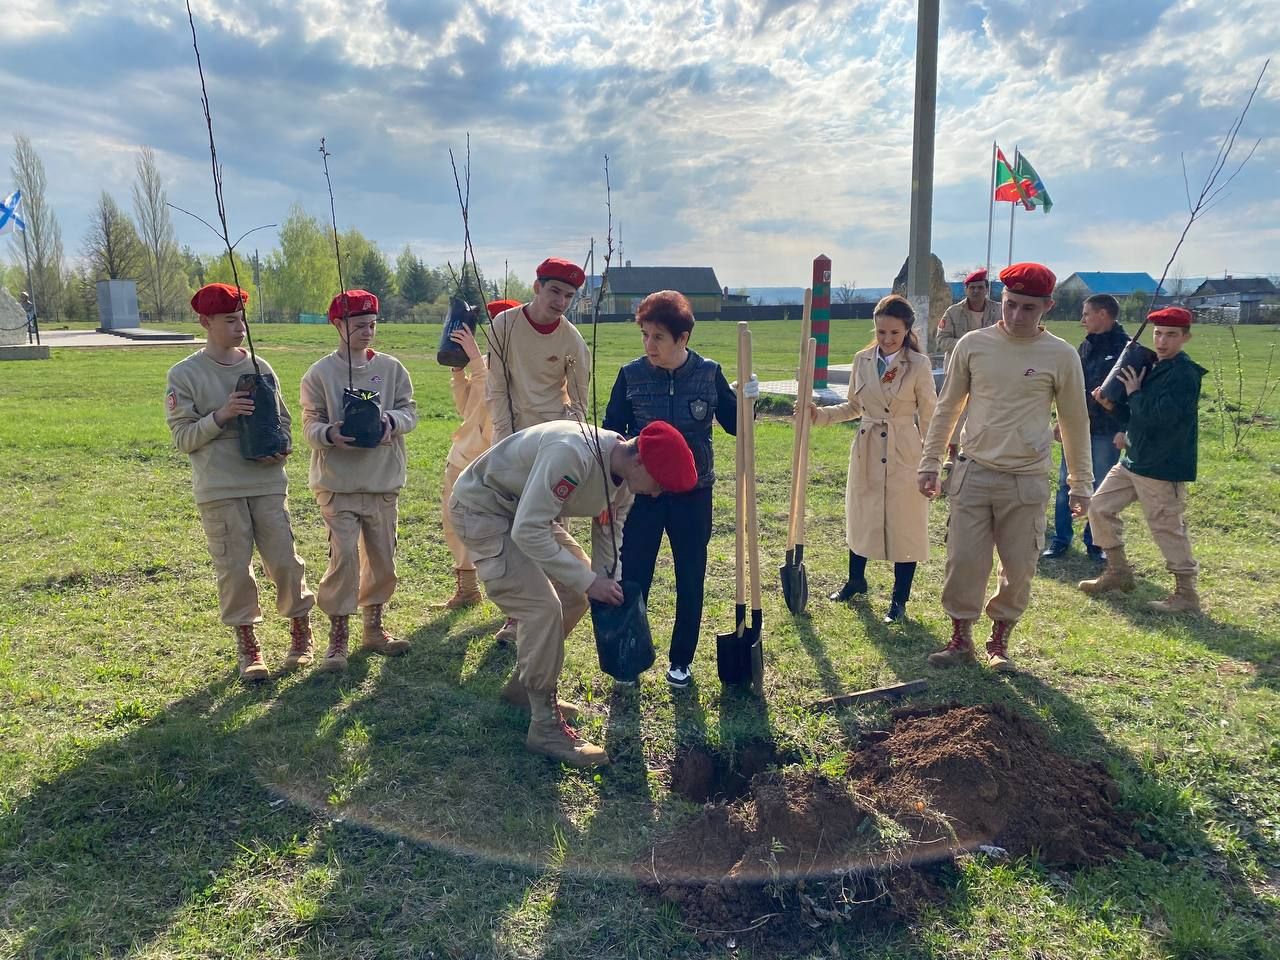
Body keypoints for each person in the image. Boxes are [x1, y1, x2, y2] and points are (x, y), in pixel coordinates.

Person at [449, 420, 697, 766]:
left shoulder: (625, 479)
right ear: (639, 460)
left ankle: (524, 688)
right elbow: (528, 531)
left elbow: (610, 533)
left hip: (526, 514)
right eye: (659, 485)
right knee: (542, 607)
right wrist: (589, 580)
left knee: (575, 594)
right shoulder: (572, 455)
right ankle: (545, 726)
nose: (656, 494)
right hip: (485, 509)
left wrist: (606, 582)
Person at [918, 263, 1093, 672]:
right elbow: (947, 408)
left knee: (1019, 567)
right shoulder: (973, 345)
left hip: (1026, 478)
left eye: (1028, 309)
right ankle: (960, 637)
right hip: (973, 471)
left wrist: (1080, 483)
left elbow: (1074, 421)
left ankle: (999, 641)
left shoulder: (1062, 356)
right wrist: (930, 461)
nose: (1016, 316)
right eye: (1011, 305)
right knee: (963, 560)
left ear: (1047, 306)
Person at [165, 282, 314, 682]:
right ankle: (248, 645)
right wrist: (223, 414)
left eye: (242, 318)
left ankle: (301, 631)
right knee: (234, 569)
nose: (239, 327)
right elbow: (183, 438)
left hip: (266, 481)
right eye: (230, 320)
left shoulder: (260, 367)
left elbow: (281, 420)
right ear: (205, 322)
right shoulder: (185, 374)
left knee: (284, 559)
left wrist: (281, 447)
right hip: (219, 486)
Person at [602, 290, 742, 687]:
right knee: (635, 574)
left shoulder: (708, 373)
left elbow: (735, 426)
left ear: (683, 339)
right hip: (643, 496)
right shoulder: (631, 375)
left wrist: (748, 399)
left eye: (658, 337)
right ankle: (629, 654)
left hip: (694, 496)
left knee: (690, 574)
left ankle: (681, 659)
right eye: (645, 335)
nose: (649, 346)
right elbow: (612, 433)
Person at [300, 289, 418, 672]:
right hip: (338, 483)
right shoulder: (320, 373)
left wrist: (390, 423)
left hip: (382, 482)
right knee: (345, 559)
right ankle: (338, 637)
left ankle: (374, 626)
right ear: (338, 325)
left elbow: (409, 412)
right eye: (359, 325)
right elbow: (309, 423)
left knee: (383, 559)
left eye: (372, 325)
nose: (368, 332)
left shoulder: (393, 368)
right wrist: (329, 434)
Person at [810, 295, 936, 623]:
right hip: (867, 447)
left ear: (907, 331)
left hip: (904, 449)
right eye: (881, 332)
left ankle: (899, 599)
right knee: (862, 514)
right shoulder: (862, 360)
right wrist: (819, 415)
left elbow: (931, 415)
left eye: (894, 333)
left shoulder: (918, 365)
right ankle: (856, 580)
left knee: (905, 522)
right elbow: (854, 406)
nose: (886, 339)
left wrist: (932, 458)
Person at [485, 259, 592, 644]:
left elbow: (580, 402)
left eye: (568, 296)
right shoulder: (505, 325)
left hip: (554, 444)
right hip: (512, 438)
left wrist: (567, 445)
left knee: (549, 528)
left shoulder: (572, 340)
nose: (561, 301)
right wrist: (503, 441)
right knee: (514, 528)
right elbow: (496, 386)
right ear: (537, 287)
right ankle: (517, 615)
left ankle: (552, 610)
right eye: (554, 292)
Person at [1079, 307, 1206, 613]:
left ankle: (1186, 594)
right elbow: (1136, 417)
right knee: (1099, 507)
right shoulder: (1152, 366)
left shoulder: (1184, 374)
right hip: (1134, 459)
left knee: (1166, 526)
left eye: (1171, 335)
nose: (1162, 341)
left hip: (1162, 465)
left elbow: (1162, 417)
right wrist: (1112, 406)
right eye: (1158, 333)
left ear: (1185, 337)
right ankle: (1118, 572)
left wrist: (1134, 394)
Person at [1042, 294, 1129, 561]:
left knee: (1100, 487)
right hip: (1077, 428)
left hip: (1106, 430)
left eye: (1086, 314)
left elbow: (1133, 395)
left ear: (1103, 314)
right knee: (1066, 483)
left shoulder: (1127, 349)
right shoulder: (1085, 347)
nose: (1082, 320)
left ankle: (1095, 542)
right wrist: (1061, 420)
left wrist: (1124, 428)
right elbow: (1071, 389)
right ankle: (1060, 539)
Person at [436, 301, 511, 610]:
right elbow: (468, 410)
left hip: (493, 462)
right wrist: (458, 369)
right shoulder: (485, 363)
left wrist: (477, 362)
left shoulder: (512, 366)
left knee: (500, 529)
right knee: (453, 520)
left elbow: (495, 401)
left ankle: (512, 598)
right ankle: (467, 587)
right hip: (462, 456)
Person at [935, 269, 1001, 468]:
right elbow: (942, 340)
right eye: (972, 288)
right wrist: (969, 345)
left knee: (987, 408)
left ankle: (980, 450)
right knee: (957, 409)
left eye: (980, 287)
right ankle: (952, 451)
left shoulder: (998, 310)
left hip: (989, 368)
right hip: (959, 367)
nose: (976, 291)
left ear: (987, 289)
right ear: (966, 289)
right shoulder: (953, 312)